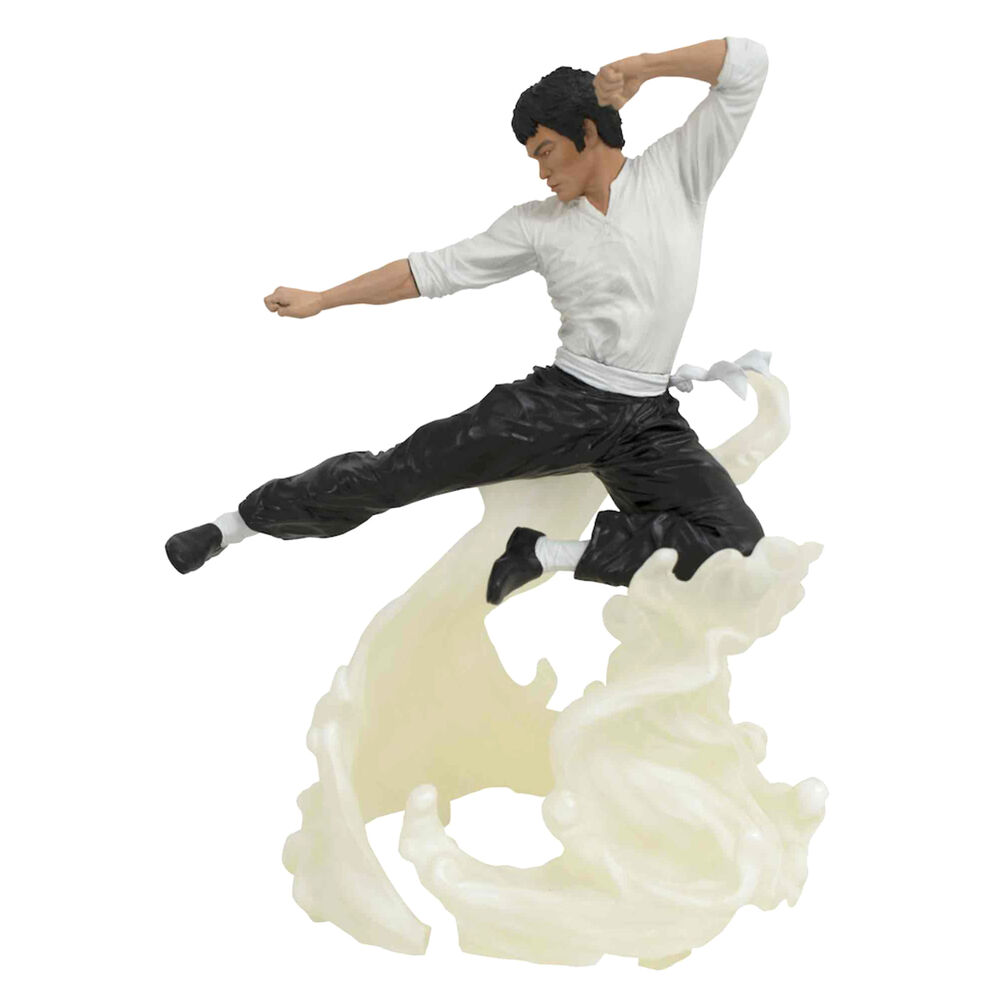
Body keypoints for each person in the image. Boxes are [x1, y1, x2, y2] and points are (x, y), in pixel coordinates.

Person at [166, 36, 770, 605]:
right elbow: (429, 272)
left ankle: (546, 553)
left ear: (587, 132)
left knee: (739, 552)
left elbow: (747, 65)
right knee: (398, 471)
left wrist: (645, 67)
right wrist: (325, 298)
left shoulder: (677, 173)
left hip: (648, 422)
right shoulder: (536, 224)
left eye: (545, 151)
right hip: (561, 407)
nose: (541, 172)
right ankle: (234, 525)